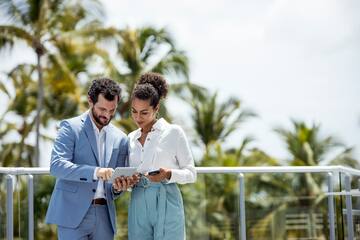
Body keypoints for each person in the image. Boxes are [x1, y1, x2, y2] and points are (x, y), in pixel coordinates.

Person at [45, 77, 136, 240]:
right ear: (90, 101)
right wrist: (96, 172)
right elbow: (57, 165)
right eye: (102, 109)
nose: (107, 115)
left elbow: (114, 189)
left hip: (104, 217)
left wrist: (118, 187)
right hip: (72, 214)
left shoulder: (121, 139)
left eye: (112, 110)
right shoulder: (70, 127)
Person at [125, 72, 197, 240]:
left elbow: (191, 173)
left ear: (156, 108)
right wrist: (127, 181)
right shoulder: (130, 138)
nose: (137, 118)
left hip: (166, 198)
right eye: (134, 112)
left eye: (144, 113)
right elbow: (127, 177)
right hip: (137, 200)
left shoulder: (174, 132)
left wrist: (169, 174)